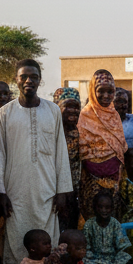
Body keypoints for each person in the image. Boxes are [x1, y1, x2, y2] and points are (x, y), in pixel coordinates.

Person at [0, 61, 71, 264]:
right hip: (15, 191)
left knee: (48, 241)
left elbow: (60, 151)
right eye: (24, 77)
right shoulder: (5, 113)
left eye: (34, 77)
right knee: (16, 241)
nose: (29, 81)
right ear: (16, 79)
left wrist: (62, 190)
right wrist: (1, 192)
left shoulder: (53, 110)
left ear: (40, 80)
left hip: (47, 191)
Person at [76, 70, 128, 222]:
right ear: (93, 91)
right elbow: (83, 152)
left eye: (110, 91)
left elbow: (120, 146)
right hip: (92, 182)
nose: (106, 96)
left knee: (113, 224)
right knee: (94, 223)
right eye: (101, 91)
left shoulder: (114, 115)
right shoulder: (85, 116)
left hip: (115, 181)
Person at [83, 191, 133, 264]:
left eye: (107, 207)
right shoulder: (89, 224)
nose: (104, 210)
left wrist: (118, 259)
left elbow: (122, 246)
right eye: (100, 207)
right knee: (83, 260)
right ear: (94, 208)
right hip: (95, 259)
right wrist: (91, 257)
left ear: (112, 209)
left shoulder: (115, 223)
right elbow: (86, 247)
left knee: (127, 258)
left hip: (112, 259)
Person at [52, 87, 82, 229]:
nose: (73, 111)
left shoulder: (81, 131)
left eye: (76, 107)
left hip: (75, 194)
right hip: (54, 193)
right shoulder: (50, 132)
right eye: (67, 106)